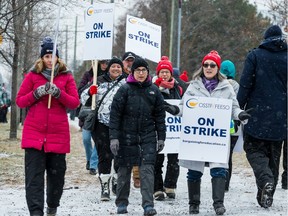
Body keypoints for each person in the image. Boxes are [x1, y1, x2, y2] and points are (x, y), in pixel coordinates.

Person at [175, 50, 251, 215]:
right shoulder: (194, 86)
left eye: (212, 65)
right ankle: (194, 204)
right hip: (197, 136)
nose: (209, 67)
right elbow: (183, 107)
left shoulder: (226, 87)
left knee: (219, 169)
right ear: (202, 67)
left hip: (216, 137)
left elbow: (234, 107)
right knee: (194, 171)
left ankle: (218, 204)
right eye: (206, 64)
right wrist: (174, 110)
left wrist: (240, 115)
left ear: (218, 68)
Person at [16, 37, 80, 216]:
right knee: (34, 179)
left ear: (58, 58)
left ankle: (52, 206)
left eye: (53, 56)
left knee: (56, 177)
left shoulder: (66, 76)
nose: (50, 60)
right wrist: (36, 93)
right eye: (47, 56)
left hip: (57, 135)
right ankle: (36, 212)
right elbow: (20, 101)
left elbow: (74, 102)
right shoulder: (32, 75)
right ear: (42, 58)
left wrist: (59, 93)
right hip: (34, 134)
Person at [237, 25, 287, 208]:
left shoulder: (255, 56)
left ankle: (266, 181)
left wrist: (237, 108)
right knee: (274, 156)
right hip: (281, 115)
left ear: (265, 38)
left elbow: (245, 85)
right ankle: (267, 196)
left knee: (253, 150)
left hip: (256, 114)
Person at [109, 57, 166, 215]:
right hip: (126, 136)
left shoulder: (154, 91)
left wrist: (161, 137)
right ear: (133, 72)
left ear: (148, 72)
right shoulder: (124, 90)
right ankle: (121, 203)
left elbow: (160, 117)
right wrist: (114, 137)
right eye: (138, 70)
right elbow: (115, 115)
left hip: (147, 136)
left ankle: (148, 205)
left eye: (143, 70)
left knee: (147, 171)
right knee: (124, 172)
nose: (141, 73)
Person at [81, 57, 126, 201]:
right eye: (113, 66)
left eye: (118, 67)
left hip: (121, 125)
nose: (116, 69)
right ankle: (105, 187)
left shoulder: (127, 83)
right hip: (101, 125)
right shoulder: (98, 81)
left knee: (120, 156)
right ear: (108, 68)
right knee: (104, 156)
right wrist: (90, 92)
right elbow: (82, 98)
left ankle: (117, 181)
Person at [152, 56, 183, 201]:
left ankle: (170, 186)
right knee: (157, 160)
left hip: (174, 130)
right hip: (158, 129)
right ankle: (157, 188)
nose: (164, 74)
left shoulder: (178, 88)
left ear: (171, 73)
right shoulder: (152, 88)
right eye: (162, 72)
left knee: (174, 160)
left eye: (167, 71)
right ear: (157, 73)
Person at [121, 51, 141, 188]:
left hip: (138, 118)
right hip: (123, 119)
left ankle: (137, 176)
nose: (130, 63)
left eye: (132, 61)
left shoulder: (141, 77)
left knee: (137, 147)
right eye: (128, 61)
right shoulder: (119, 76)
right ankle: (121, 179)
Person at [219, 60, 240, 192]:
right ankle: (226, 182)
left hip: (219, 125)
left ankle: (220, 181)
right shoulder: (237, 86)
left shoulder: (219, 84)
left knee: (221, 155)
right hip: (233, 127)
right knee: (228, 156)